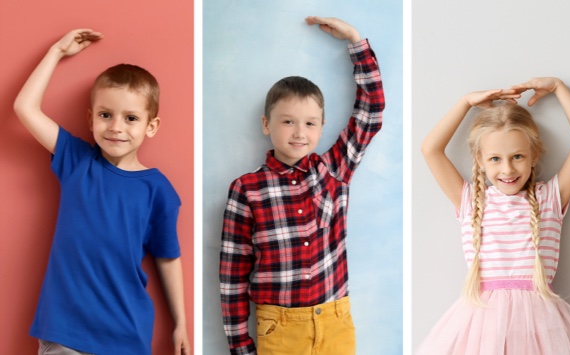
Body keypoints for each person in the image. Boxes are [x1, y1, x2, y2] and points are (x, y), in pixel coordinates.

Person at [13, 29, 190, 354]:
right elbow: (24, 107)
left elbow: (168, 257)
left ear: (151, 126)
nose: (116, 127)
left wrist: (180, 323)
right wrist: (56, 51)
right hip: (64, 332)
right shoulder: (77, 161)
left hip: (127, 336)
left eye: (131, 118)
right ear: (91, 118)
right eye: (106, 115)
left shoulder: (158, 190)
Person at [218, 16, 384, 355]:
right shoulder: (246, 189)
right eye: (288, 121)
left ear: (321, 128)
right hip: (278, 327)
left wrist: (355, 41)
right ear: (267, 124)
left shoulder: (334, 169)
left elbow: (372, 110)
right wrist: (239, 344)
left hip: (335, 320)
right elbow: (233, 274)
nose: (298, 132)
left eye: (309, 123)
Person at [418, 77, 570, 354]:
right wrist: (466, 101)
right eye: (495, 159)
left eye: (517, 156)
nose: (507, 169)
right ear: (479, 160)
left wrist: (557, 88)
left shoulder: (549, 198)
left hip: (541, 325)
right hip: (481, 323)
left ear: (534, 155)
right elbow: (430, 149)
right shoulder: (471, 201)